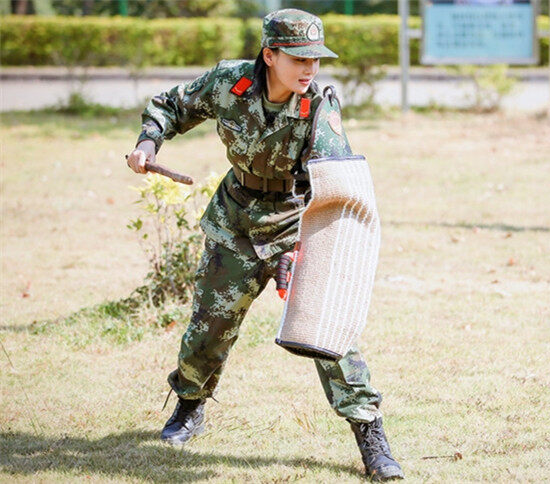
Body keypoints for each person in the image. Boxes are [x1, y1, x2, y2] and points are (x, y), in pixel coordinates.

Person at [125, 9, 404, 481]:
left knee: (329, 332)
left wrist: (303, 251)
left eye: (316, 59)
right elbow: (172, 104)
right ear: (270, 55)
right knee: (210, 325)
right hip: (234, 221)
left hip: (296, 225)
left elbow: (335, 183)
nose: (310, 68)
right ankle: (190, 406)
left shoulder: (319, 106)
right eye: (299, 58)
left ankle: (370, 434)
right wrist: (148, 143)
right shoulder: (228, 82)